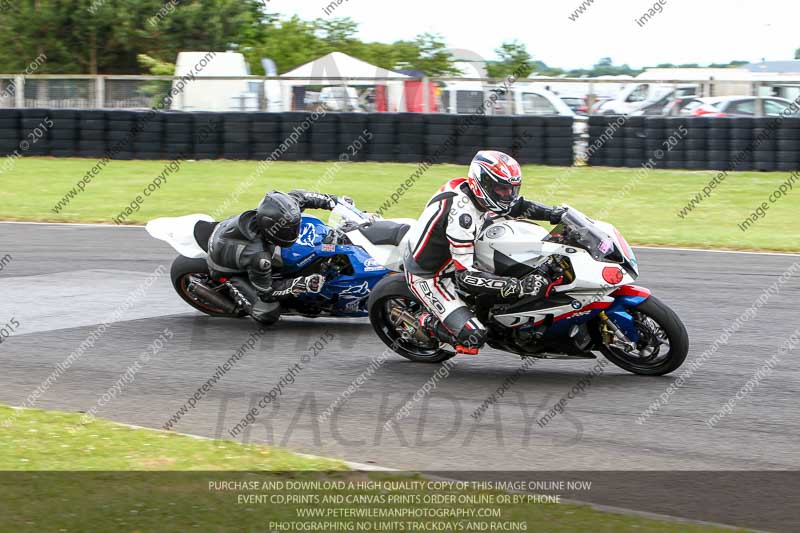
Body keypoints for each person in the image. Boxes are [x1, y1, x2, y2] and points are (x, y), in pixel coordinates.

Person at [403, 150, 566, 354]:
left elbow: (516, 206)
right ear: (483, 183)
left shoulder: (474, 192)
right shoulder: (461, 217)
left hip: (457, 251)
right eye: (502, 189)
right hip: (430, 274)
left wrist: (552, 213)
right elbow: (465, 277)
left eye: (512, 189)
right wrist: (518, 286)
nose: (508, 195)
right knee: (474, 337)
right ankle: (425, 322)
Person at [207, 190, 338, 324]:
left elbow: (302, 196)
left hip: (226, 234)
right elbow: (267, 292)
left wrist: (333, 201)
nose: (294, 232)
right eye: (289, 230)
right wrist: (299, 284)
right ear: (272, 229)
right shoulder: (259, 257)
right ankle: (237, 297)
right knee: (268, 314)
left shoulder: (279, 211)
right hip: (225, 266)